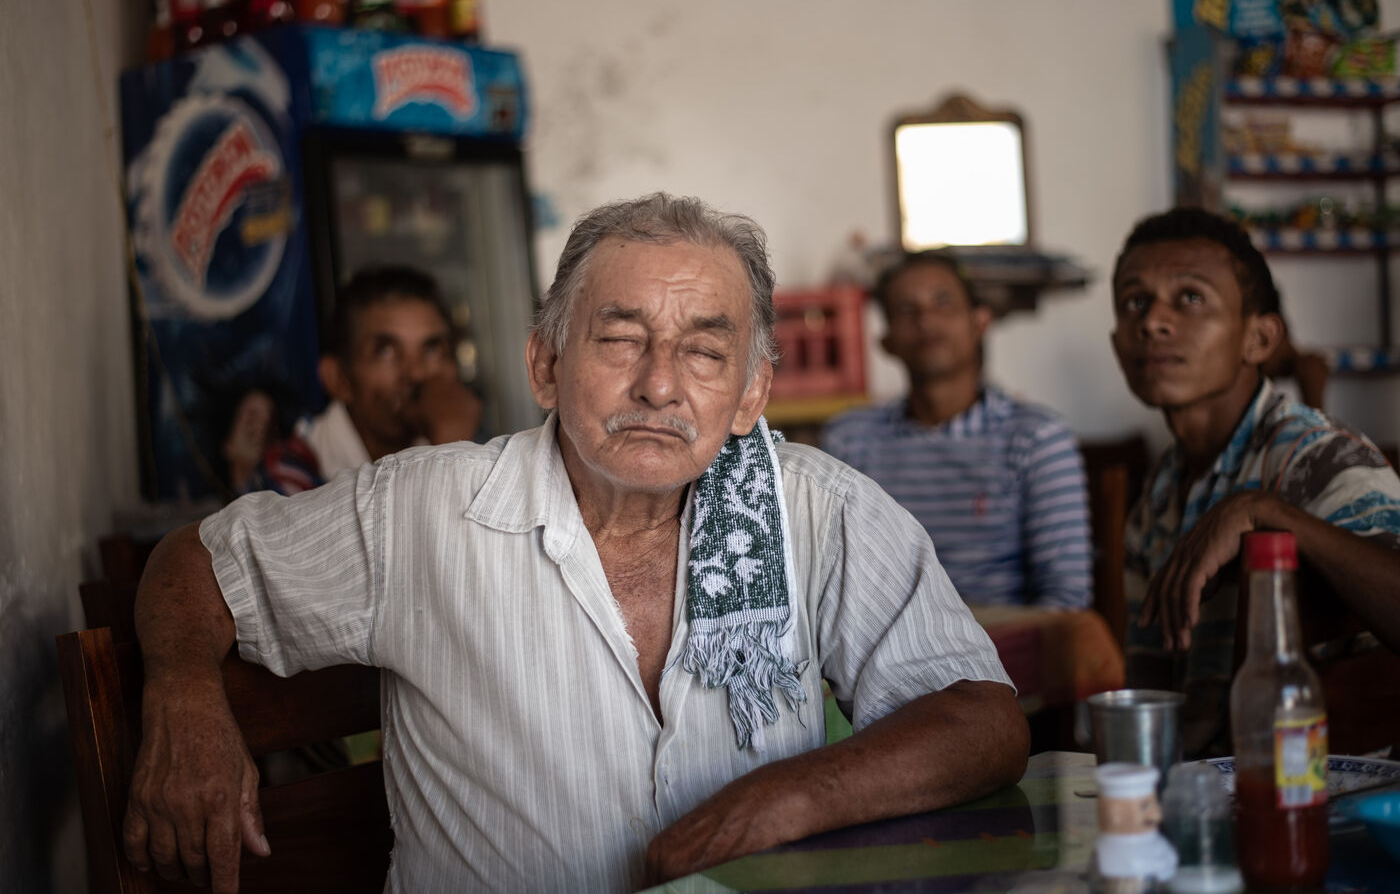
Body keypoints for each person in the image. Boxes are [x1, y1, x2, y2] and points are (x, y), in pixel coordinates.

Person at [121, 193, 1029, 894]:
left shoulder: (814, 509)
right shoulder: (421, 510)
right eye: (621, 339)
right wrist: (185, 694)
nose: (660, 385)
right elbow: (195, 562)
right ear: (546, 366)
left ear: (751, 394)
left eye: (705, 353)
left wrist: (782, 798)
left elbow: (983, 718)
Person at [1110, 206, 1400, 756]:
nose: (1152, 322)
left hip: (1338, 792)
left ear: (1260, 339)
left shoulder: (1313, 456)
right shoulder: (1158, 497)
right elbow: (1152, 692)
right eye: (1134, 303)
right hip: (1209, 789)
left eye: (1191, 297)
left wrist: (1266, 511)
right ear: (1116, 344)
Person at [821, 250, 1093, 609]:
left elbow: (1066, 600)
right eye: (905, 309)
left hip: (1006, 639)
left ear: (980, 322)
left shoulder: (1036, 438)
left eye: (943, 301)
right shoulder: (850, 440)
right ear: (886, 342)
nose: (926, 319)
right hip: (882, 642)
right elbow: (831, 585)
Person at [242, 264, 484, 495]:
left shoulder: (463, 437)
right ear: (338, 379)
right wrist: (452, 450)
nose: (416, 373)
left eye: (431, 350)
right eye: (386, 352)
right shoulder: (288, 476)